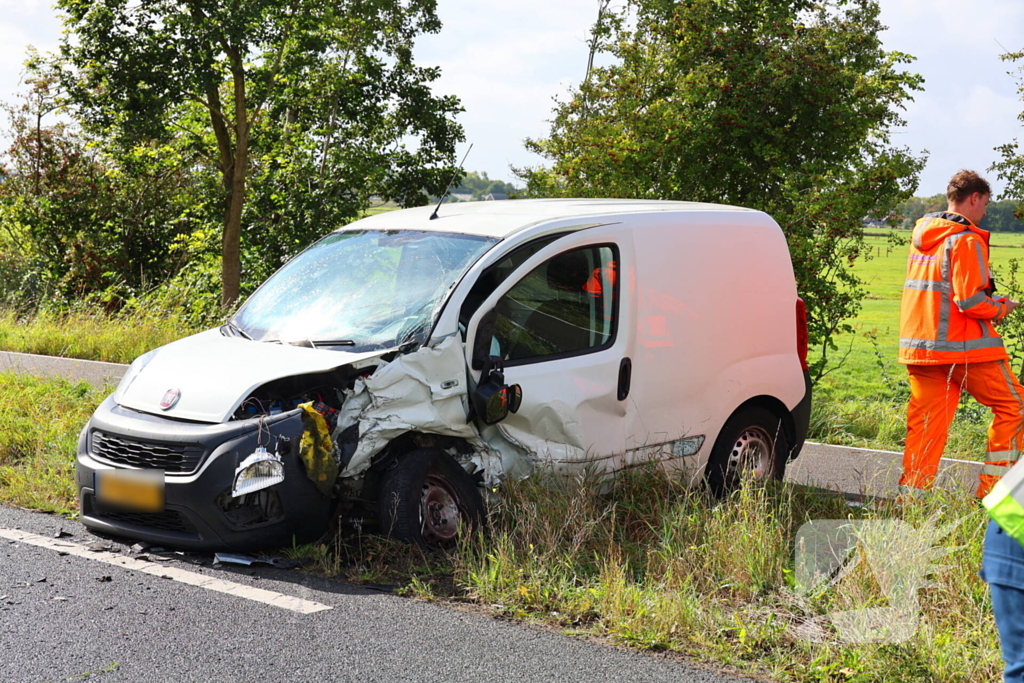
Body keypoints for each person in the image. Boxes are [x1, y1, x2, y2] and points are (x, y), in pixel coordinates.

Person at [898, 169, 1022, 498]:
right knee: (1017, 408)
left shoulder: (923, 238)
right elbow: (969, 301)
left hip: (922, 349)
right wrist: (1001, 308)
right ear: (974, 198)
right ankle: (995, 496)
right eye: (984, 204)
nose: (984, 212)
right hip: (964, 349)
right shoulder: (966, 239)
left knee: (926, 428)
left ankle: (911, 501)